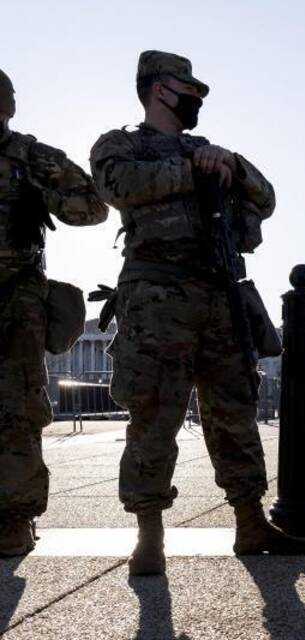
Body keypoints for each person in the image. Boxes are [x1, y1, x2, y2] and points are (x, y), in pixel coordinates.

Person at [89, 50, 305, 576]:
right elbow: (116, 186)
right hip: (155, 299)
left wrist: (230, 163)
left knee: (235, 413)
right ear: (159, 88)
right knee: (153, 416)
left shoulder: (212, 151)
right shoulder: (122, 145)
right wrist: (189, 168)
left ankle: (250, 520)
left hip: (218, 296)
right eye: (190, 90)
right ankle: (149, 532)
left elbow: (267, 198)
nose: (197, 100)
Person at [0, 69, 108, 557]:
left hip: (17, 295)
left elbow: (93, 207)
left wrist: (43, 195)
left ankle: (13, 519)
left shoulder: (31, 156)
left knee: (18, 406)